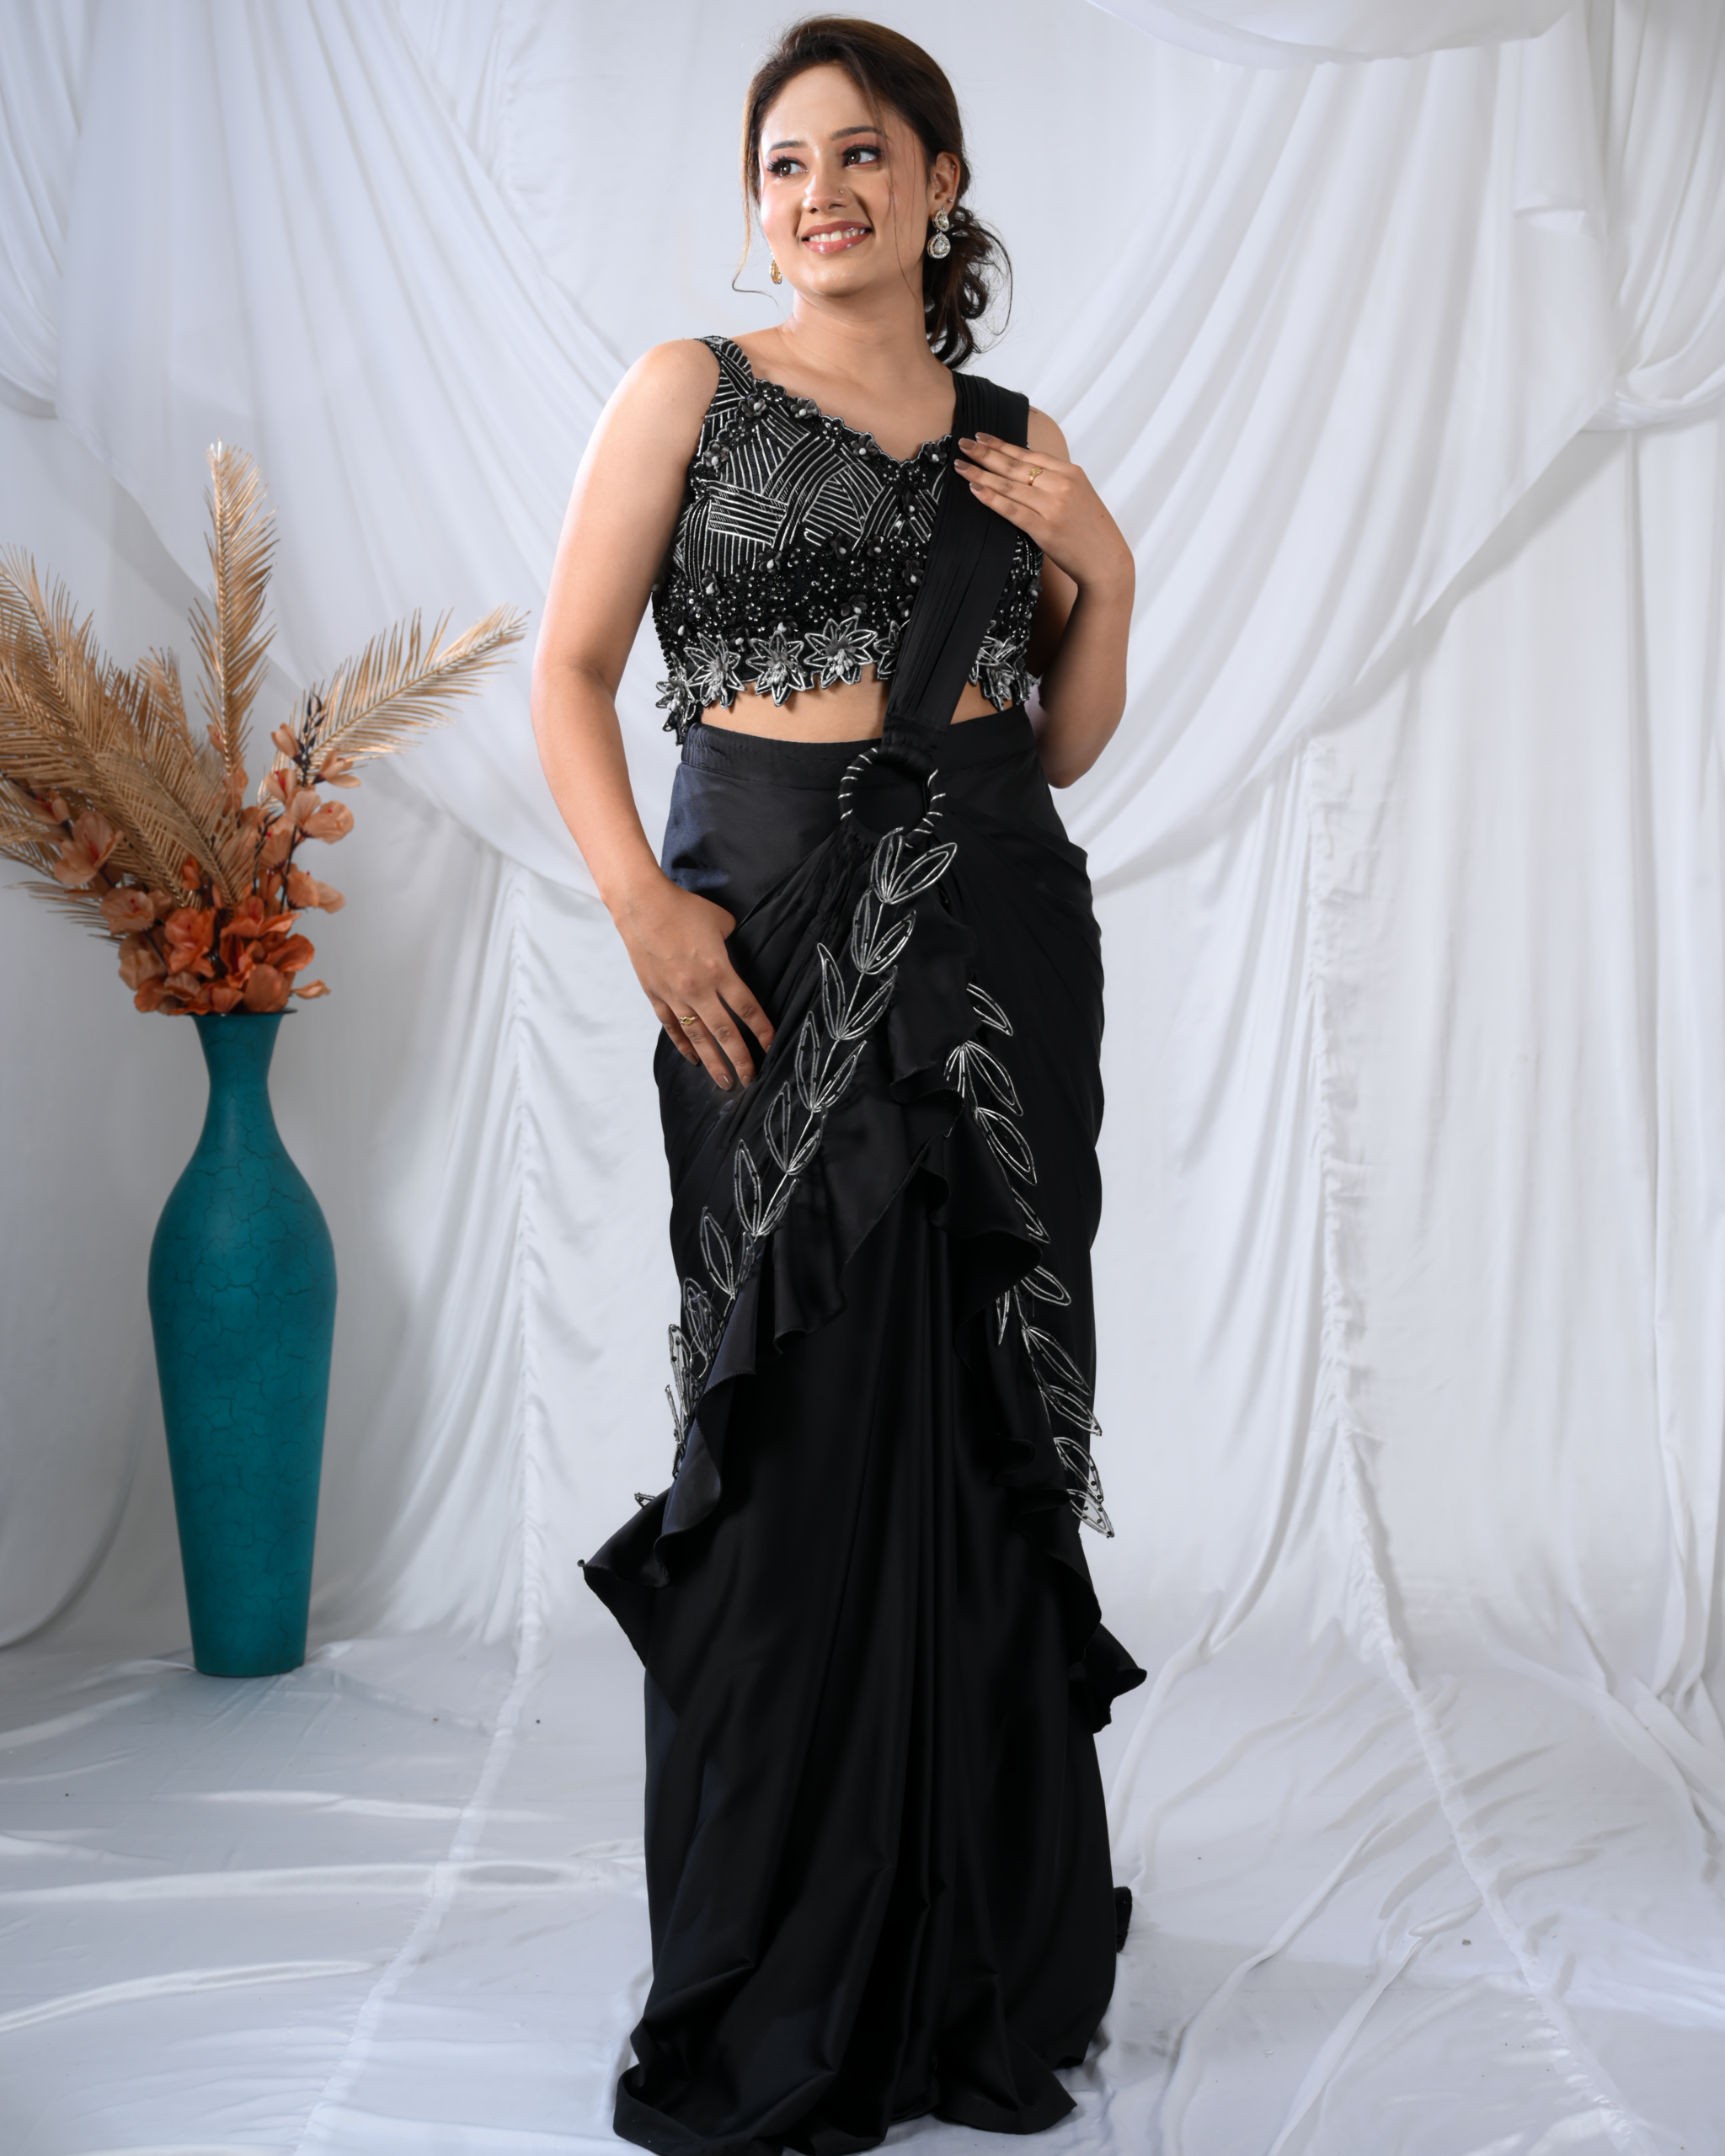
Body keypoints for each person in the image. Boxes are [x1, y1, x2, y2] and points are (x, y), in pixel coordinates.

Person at [531, 18, 1144, 2150]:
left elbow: (1060, 738)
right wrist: (641, 900)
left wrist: (1107, 563)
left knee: (977, 1401)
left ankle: (973, 1938)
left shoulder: (1014, 437)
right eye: (786, 163)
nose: (822, 193)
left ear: (940, 182)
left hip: (995, 930)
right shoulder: (688, 388)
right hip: (761, 930)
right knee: (786, 1406)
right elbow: (569, 671)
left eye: (864, 154)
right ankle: (779, 1946)